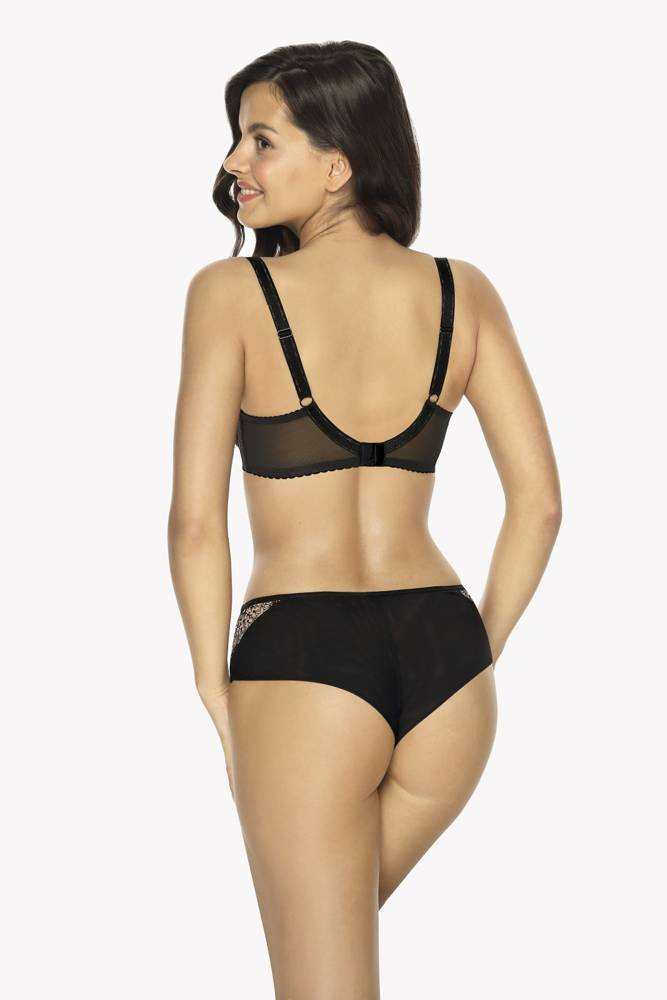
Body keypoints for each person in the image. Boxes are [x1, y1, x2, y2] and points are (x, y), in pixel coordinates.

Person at [168, 41, 562, 999]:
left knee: (320, 982)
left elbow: (194, 523)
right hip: (447, 666)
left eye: (261, 141)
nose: (233, 163)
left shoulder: (229, 293)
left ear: (337, 165)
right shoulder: (462, 291)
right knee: (326, 958)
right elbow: (540, 504)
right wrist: (473, 654)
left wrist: (216, 691)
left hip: (303, 662)